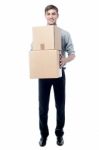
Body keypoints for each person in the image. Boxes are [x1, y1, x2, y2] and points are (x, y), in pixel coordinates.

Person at [35, 5, 75, 146]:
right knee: (43, 107)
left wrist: (65, 59)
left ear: (58, 15)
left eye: (53, 14)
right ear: (45, 15)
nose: (51, 16)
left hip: (59, 73)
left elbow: (72, 53)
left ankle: (59, 134)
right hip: (43, 74)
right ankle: (43, 135)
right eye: (48, 14)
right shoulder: (39, 34)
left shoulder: (64, 34)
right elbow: (33, 53)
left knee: (60, 106)